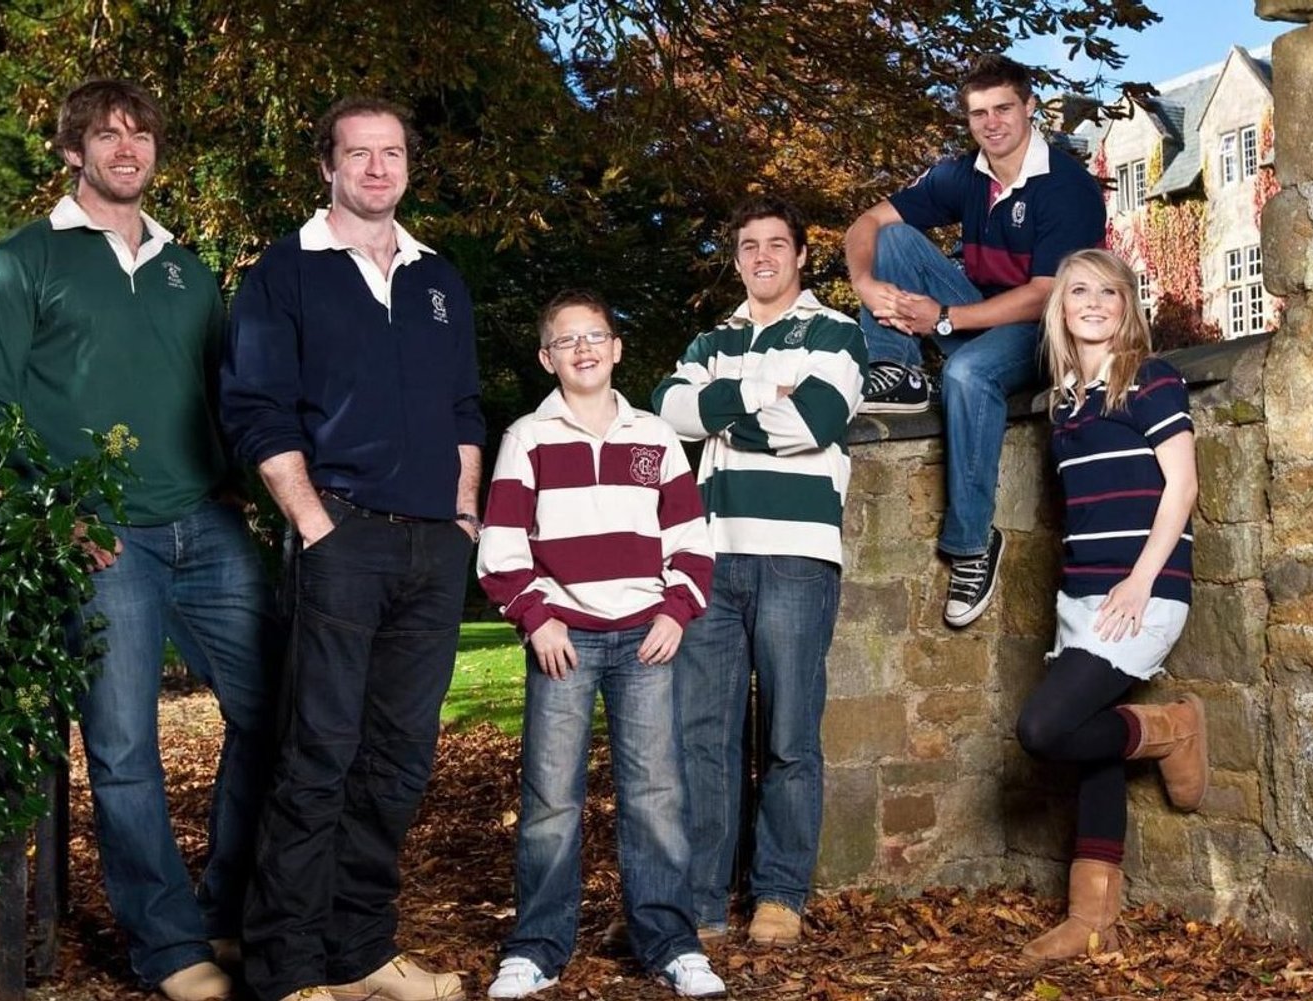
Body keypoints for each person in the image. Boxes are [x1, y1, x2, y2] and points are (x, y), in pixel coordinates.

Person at [0, 79, 277, 1001]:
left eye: (141, 134)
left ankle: (228, 913)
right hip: (103, 537)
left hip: (206, 524)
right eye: (106, 134)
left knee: (276, 711)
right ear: (74, 150)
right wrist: (50, 509)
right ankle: (169, 945)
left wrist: (237, 480)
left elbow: (218, 393)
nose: (126, 147)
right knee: (124, 747)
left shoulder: (190, 269)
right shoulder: (20, 262)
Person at [220, 96, 484, 1001]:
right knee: (317, 756)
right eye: (358, 153)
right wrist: (314, 522)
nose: (378, 168)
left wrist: (463, 518)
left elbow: (461, 411)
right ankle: (288, 968)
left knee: (399, 760)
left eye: (393, 153)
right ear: (327, 165)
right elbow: (258, 409)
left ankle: (361, 949)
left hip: (432, 554)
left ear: (409, 164)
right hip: (341, 539)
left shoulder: (439, 279)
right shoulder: (283, 275)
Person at [476, 290, 727, 999]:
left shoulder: (654, 436)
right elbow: (500, 548)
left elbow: (690, 543)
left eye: (596, 336)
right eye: (566, 339)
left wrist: (677, 611)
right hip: (563, 639)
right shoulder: (528, 437)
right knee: (551, 798)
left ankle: (670, 940)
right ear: (546, 358)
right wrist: (536, 615)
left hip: (647, 635)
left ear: (617, 349)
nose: (583, 348)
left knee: (655, 794)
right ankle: (536, 945)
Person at [653, 196, 867, 949]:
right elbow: (665, 411)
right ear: (738, 257)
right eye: (750, 246)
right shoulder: (714, 337)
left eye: (777, 244)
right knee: (703, 736)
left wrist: (719, 411)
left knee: (788, 732)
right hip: (709, 555)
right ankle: (704, 899)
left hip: (797, 555)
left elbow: (813, 423)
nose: (763, 257)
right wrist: (757, 395)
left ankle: (779, 892)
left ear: (802, 255)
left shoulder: (837, 331)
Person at [843, 53, 1106, 628]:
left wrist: (943, 319)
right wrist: (865, 285)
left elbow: (1045, 294)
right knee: (897, 241)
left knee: (967, 375)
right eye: (978, 113)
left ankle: (970, 546)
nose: (992, 123)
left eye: (1004, 108)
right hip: (973, 317)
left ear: (1030, 107)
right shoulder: (962, 174)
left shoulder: (1067, 189)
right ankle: (896, 370)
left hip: (1044, 335)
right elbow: (866, 224)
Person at [1012, 249, 1207, 962]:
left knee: (1042, 728)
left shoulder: (1149, 378)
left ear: (1128, 305)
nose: (1093, 302)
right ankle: (1092, 917)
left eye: (1109, 291)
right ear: (1061, 307)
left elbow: (1180, 487)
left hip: (1141, 591)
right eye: (1079, 291)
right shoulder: (1064, 401)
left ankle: (1171, 728)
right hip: (1081, 595)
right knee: (1086, 746)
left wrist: (1141, 579)